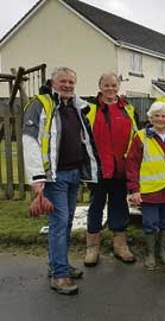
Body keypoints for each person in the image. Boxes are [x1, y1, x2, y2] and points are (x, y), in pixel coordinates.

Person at [23, 67, 99, 295]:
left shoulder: (76, 105)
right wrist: (37, 177)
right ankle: (59, 275)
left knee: (65, 223)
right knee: (59, 224)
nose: (67, 85)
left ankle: (59, 264)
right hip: (54, 177)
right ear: (52, 82)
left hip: (74, 172)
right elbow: (29, 141)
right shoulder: (40, 104)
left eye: (71, 82)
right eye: (63, 81)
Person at [83, 72, 138, 266]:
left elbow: (135, 137)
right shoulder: (88, 108)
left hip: (120, 169)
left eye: (113, 85)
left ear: (118, 86)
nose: (110, 89)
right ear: (100, 86)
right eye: (106, 85)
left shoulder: (128, 109)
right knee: (96, 205)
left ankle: (120, 245)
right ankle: (92, 247)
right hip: (97, 168)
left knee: (119, 206)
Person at [126, 102, 165, 271]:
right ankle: (150, 254)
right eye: (157, 116)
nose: (160, 119)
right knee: (150, 223)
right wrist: (134, 189)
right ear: (150, 117)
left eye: (163, 116)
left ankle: (162, 252)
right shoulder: (141, 136)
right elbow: (132, 164)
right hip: (149, 190)